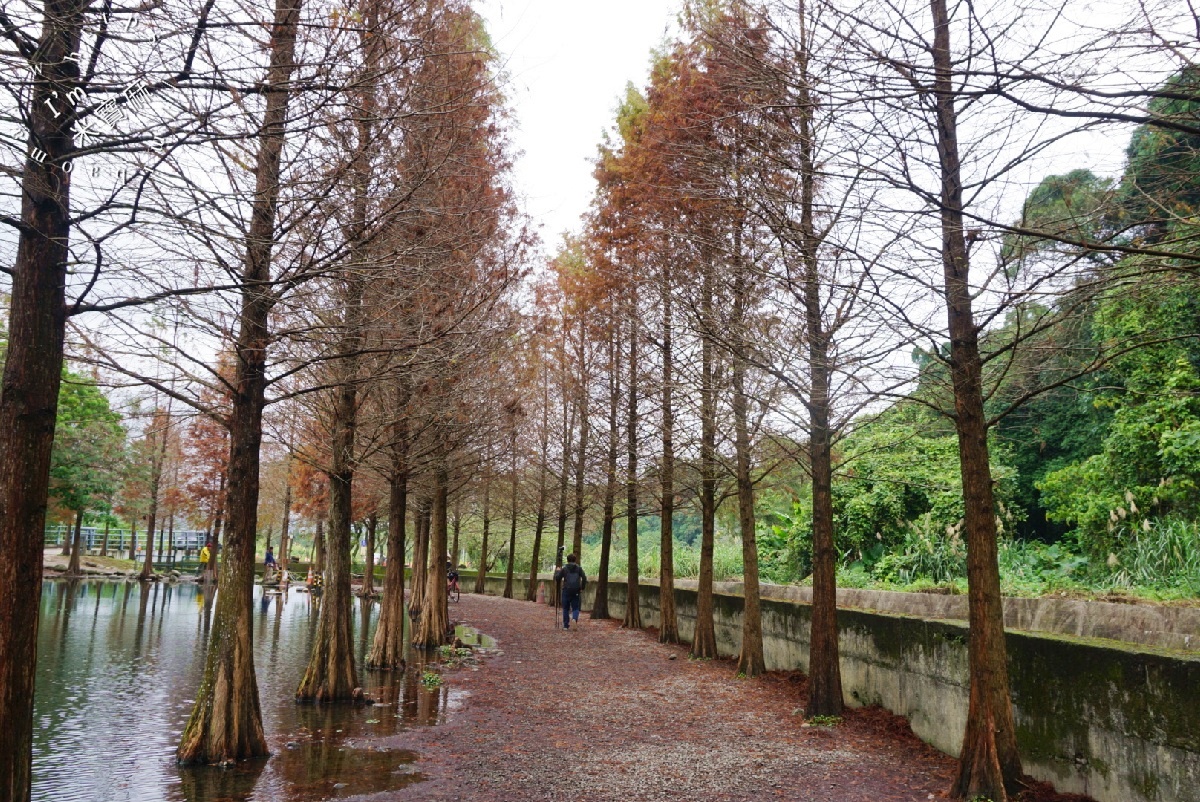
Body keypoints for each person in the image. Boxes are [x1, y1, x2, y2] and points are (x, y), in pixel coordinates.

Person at [554, 553, 587, 630]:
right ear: (575, 560)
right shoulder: (579, 568)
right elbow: (584, 578)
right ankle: (574, 619)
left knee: (565, 608)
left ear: (567, 560)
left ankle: (565, 626)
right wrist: (582, 587)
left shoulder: (564, 569)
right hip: (576, 590)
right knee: (575, 608)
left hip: (566, 590)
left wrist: (557, 571)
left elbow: (558, 578)